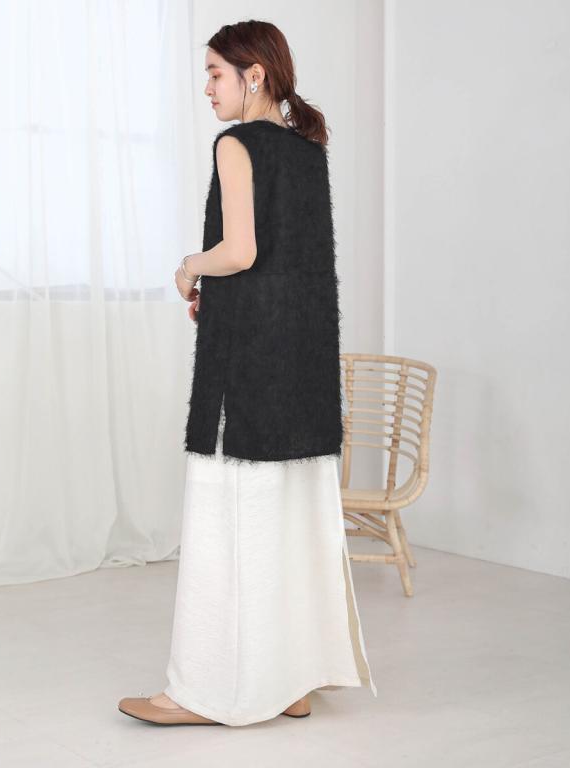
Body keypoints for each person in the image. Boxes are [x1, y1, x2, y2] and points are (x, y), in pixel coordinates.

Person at [118, 19, 377, 727]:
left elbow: (240, 251)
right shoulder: (308, 152)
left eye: (215, 73)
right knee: (289, 524)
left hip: (247, 371)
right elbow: (296, 264)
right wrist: (231, 297)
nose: (207, 88)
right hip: (302, 365)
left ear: (253, 75)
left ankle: (204, 692)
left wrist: (188, 267)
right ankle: (290, 680)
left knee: (228, 525)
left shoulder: (235, 144)